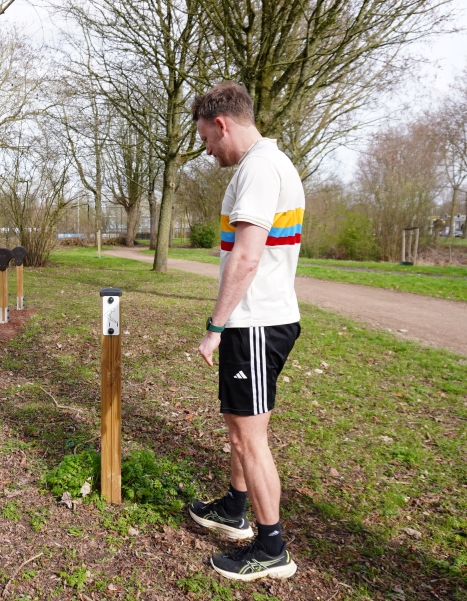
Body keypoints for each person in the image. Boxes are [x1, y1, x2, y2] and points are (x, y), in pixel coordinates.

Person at [188, 82, 304, 581]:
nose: (208, 151)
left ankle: (271, 548)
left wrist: (216, 325)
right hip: (259, 320)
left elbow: (248, 256)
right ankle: (235, 508)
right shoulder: (270, 163)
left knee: (249, 438)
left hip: (255, 321)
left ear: (222, 124)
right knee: (241, 429)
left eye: (207, 140)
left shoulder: (258, 168)